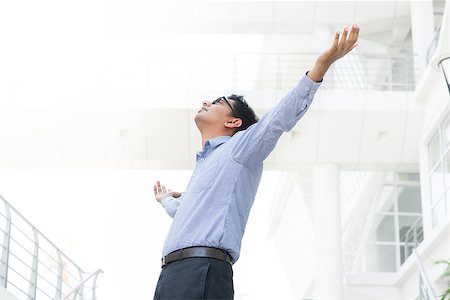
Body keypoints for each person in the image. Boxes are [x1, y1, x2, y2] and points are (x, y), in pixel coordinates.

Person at [152, 24, 360, 300]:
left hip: (202, 270)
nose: (206, 102)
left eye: (217, 102)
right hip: (172, 273)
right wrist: (167, 200)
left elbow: (279, 118)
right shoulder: (205, 163)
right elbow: (188, 214)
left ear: (233, 122)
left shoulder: (240, 148)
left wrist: (320, 67)